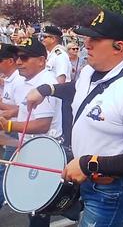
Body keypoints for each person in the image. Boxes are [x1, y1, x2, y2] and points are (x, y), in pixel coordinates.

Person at [26, 9, 123, 226]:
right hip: (91, 180)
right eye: (87, 37)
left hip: (112, 191)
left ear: (119, 46)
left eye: (95, 39)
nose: (86, 43)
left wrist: (88, 164)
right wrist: (46, 89)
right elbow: (78, 91)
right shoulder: (89, 72)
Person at [0, 38, 62, 226]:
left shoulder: (45, 83)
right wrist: (10, 113)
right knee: (33, 204)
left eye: (25, 58)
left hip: (43, 151)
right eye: (17, 57)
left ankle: (74, 206)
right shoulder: (29, 81)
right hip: (30, 147)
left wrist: (9, 126)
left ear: (42, 60)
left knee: (38, 208)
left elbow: (43, 124)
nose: (19, 62)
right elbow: (25, 109)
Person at [0, 43, 23, 209]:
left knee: (4, 171)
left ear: (9, 61)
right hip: (8, 129)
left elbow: (22, 110)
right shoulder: (9, 79)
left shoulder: (19, 80)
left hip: (15, 131)